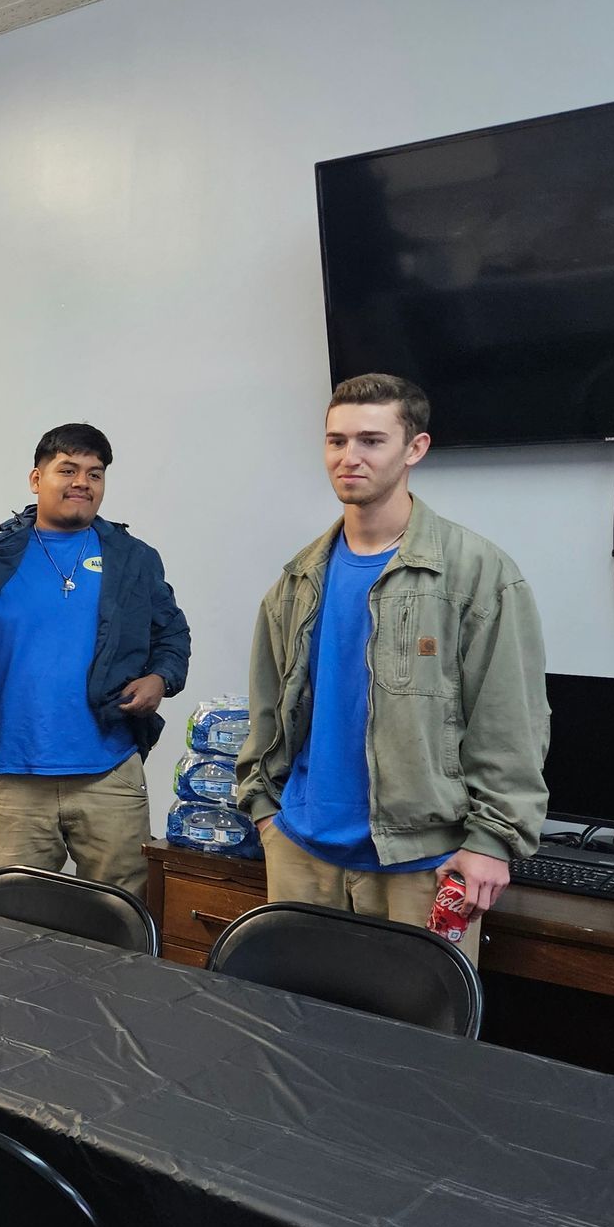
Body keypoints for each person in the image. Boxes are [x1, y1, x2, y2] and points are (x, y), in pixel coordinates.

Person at [235, 373, 550, 962]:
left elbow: (511, 719)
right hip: (301, 851)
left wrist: (493, 840)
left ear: (415, 448)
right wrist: (263, 811)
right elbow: (267, 705)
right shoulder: (299, 578)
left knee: (418, 1020)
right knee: (292, 1016)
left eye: (371, 441)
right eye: (336, 441)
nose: (348, 457)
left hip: (423, 864)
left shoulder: (476, 573)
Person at [0, 424, 190, 899]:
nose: (82, 482)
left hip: (108, 772)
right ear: (36, 479)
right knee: (18, 915)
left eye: (95, 473)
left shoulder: (133, 559)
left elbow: (172, 634)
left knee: (122, 913)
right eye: (68, 470)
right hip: (13, 775)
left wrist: (161, 677)